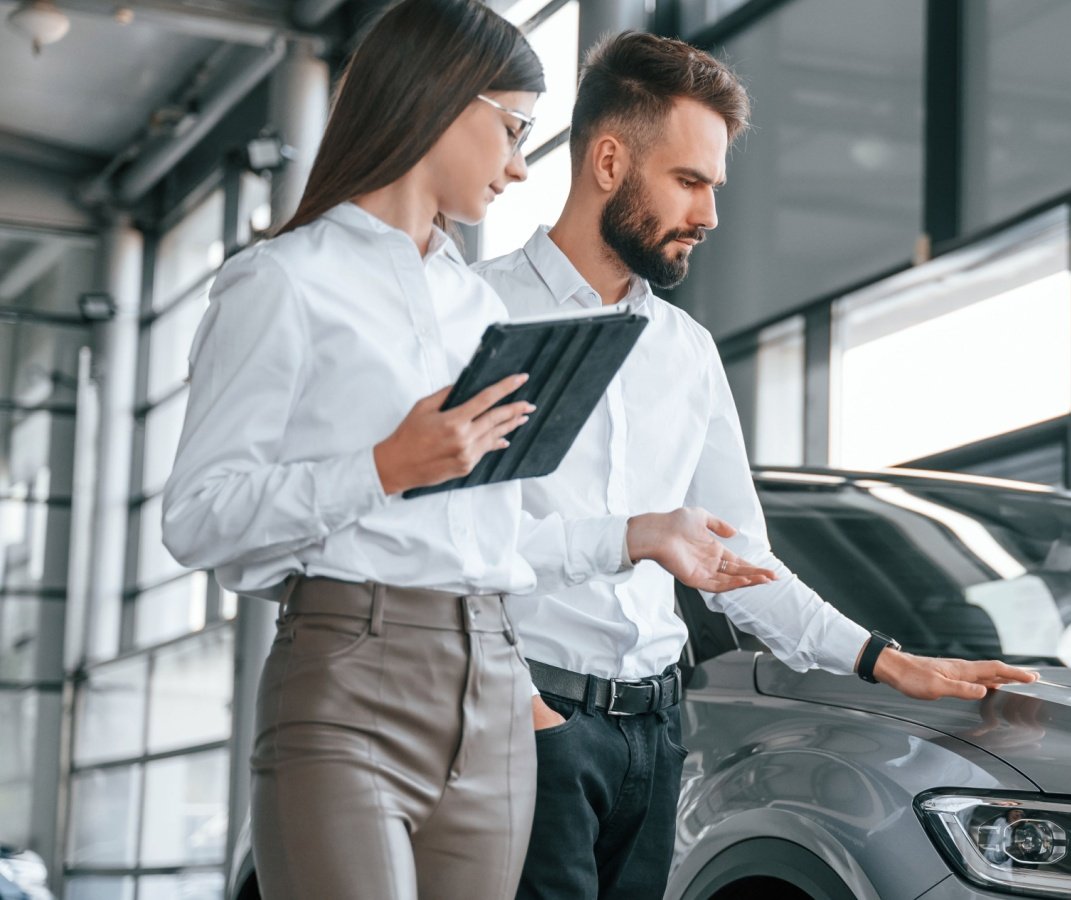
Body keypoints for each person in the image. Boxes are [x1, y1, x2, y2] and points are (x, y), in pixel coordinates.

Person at [161, 6, 774, 899]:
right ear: (441, 103)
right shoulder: (282, 281)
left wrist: (553, 686)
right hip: (348, 669)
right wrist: (382, 467)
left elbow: (499, 543)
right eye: (515, 129)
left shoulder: (480, 313)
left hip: (496, 687)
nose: (523, 164)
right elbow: (198, 520)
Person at [475, 31, 1038, 900]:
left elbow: (739, 563)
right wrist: (530, 707)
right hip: (524, 722)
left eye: (714, 187)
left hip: (656, 740)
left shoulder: (685, 352)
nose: (708, 215)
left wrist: (886, 660)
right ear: (610, 159)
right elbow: (450, 540)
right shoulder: (478, 317)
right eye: (689, 181)